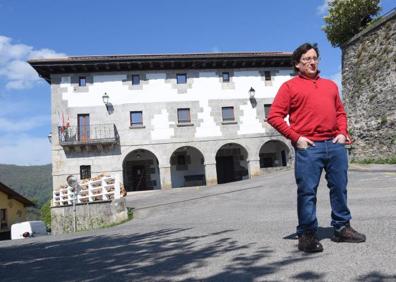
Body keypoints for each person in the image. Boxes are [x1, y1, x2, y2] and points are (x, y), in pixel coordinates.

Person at [267, 43, 366, 253]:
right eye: (306, 59)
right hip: (309, 147)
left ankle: (341, 228)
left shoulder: (330, 85)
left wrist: (342, 133)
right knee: (307, 192)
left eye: (314, 58)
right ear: (297, 64)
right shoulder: (289, 87)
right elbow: (274, 116)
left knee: (339, 188)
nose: (312, 62)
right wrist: (296, 138)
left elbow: (340, 112)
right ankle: (307, 234)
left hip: (334, 144)